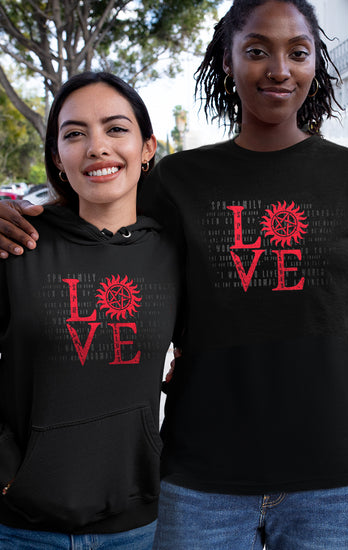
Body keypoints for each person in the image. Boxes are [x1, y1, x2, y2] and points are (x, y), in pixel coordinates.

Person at [0, 1, 348, 547]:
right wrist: (18, 218)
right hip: (199, 478)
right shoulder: (177, 181)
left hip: (330, 476)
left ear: (314, 64)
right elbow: (102, 232)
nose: (279, 69)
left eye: (298, 52)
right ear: (228, 62)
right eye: (257, 51)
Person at [0, 72, 182, 549]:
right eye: (75, 133)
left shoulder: (175, 254)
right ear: (58, 158)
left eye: (116, 128)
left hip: (136, 526)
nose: (97, 147)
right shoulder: (19, 245)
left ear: (147, 148)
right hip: (21, 527)